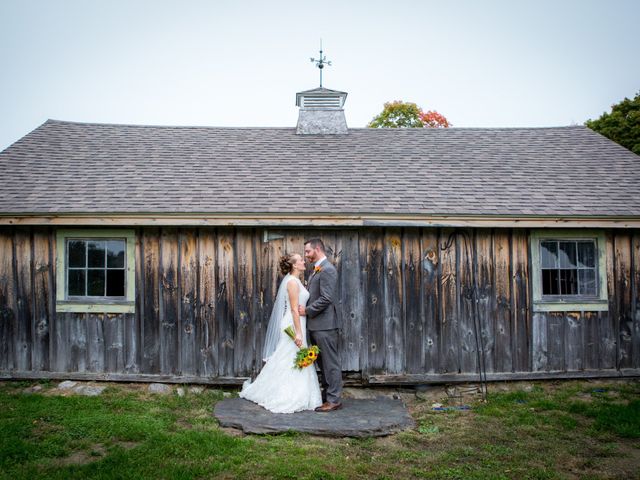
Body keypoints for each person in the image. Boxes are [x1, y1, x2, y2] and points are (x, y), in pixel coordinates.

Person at [239, 253, 322, 413]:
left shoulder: (296, 280)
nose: (304, 262)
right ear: (294, 265)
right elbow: (293, 309)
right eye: (300, 260)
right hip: (293, 323)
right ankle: (286, 395)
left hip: (298, 322)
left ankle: (300, 394)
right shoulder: (291, 282)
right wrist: (298, 333)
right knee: (289, 358)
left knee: (290, 358)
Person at [299, 238, 343, 412]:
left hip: (326, 325)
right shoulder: (317, 270)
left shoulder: (328, 270)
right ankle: (327, 396)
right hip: (317, 325)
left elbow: (326, 298)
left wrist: (307, 311)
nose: (306, 256)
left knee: (330, 363)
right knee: (323, 364)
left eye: (308, 252)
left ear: (317, 249)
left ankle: (334, 400)